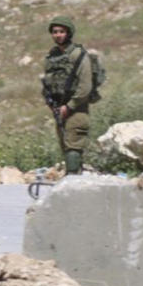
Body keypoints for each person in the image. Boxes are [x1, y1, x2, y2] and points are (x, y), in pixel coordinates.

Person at [41, 15, 93, 175]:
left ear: (68, 33)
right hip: (59, 109)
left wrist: (70, 106)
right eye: (55, 32)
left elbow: (85, 86)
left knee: (73, 148)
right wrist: (51, 102)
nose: (58, 35)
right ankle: (75, 180)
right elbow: (48, 83)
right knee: (65, 147)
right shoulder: (52, 57)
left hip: (77, 110)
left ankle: (72, 181)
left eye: (61, 32)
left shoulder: (78, 55)